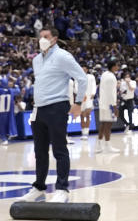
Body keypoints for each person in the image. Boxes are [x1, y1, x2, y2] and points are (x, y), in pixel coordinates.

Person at [17, 28, 86, 204]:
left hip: (57, 107)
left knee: (59, 150)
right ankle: (39, 188)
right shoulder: (37, 60)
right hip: (38, 108)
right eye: (40, 37)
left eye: (46, 37)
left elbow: (82, 78)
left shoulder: (63, 56)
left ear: (54, 39)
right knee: (40, 151)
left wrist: (78, 103)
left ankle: (62, 188)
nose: (42, 40)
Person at [96, 59, 120, 153]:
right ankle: (107, 146)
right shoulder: (111, 77)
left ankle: (99, 145)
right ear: (113, 66)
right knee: (108, 125)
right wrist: (115, 107)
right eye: (117, 65)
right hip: (108, 104)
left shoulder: (104, 74)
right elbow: (112, 93)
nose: (118, 67)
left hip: (103, 102)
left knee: (103, 124)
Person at [80, 66, 96, 140]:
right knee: (82, 116)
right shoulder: (78, 76)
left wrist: (93, 93)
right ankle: (83, 132)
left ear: (87, 69)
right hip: (81, 98)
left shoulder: (91, 76)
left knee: (87, 114)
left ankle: (86, 132)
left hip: (89, 98)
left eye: (85, 69)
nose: (84, 70)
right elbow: (76, 87)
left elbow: (93, 85)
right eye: (82, 69)